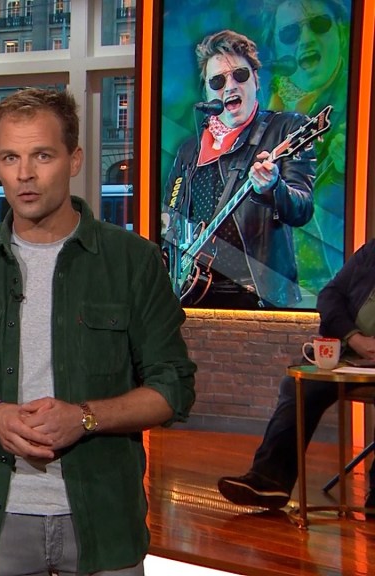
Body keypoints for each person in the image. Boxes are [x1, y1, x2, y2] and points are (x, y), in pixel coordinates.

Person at [0, 88, 197, 576]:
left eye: (42, 156)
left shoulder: (133, 261)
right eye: (10, 158)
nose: (24, 174)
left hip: (104, 520)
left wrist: (85, 418)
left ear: (74, 160)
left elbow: (173, 387)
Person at [218, 239, 375, 514]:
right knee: (298, 385)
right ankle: (269, 480)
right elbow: (330, 294)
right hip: (348, 350)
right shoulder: (371, 252)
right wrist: (354, 337)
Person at [161, 29, 315, 309]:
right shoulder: (189, 150)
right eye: (218, 81)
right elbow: (169, 219)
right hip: (194, 294)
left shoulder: (286, 130)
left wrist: (273, 188)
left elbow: (302, 208)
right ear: (207, 92)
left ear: (256, 80)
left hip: (258, 297)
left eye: (239, 75)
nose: (230, 86)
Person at [264, 0, 349, 298]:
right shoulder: (263, 106)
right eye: (290, 33)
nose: (306, 40)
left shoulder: (355, 107)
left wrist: (342, 178)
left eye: (319, 24)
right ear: (275, 49)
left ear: (340, 31)